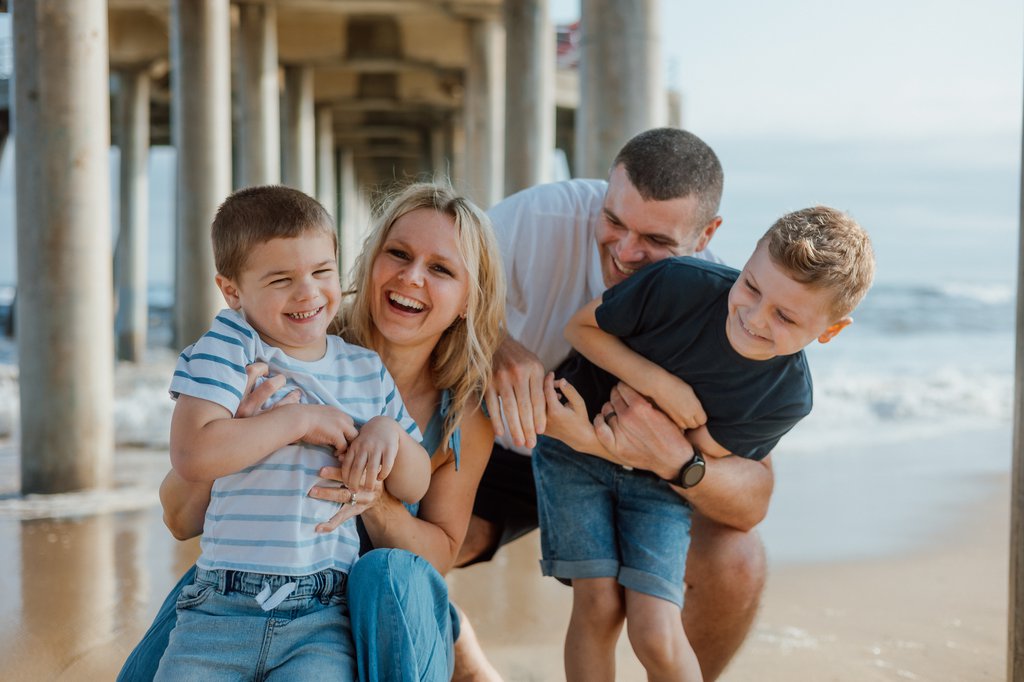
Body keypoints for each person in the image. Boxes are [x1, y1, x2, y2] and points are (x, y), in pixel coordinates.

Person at [119, 181, 505, 681]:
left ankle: (461, 651)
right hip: (244, 583)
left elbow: (436, 559)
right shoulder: (293, 339)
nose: (411, 278)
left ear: (468, 298)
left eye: (440, 269)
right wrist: (248, 432)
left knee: (385, 573)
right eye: (399, 254)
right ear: (369, 261)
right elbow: (178, 518)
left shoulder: (462, 413)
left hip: (368, 607)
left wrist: (375, 496)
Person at [454, 127, 762, 680]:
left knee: (737, 562)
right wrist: (493, 343)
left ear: (706, 233)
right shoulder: (538, 218)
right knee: (402, 551)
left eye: (657, 241)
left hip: (643, 473)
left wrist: (679, 462)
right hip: (511, 441)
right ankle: (470, 667)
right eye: (614, 221)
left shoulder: (725, 302)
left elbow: (752, 496)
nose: (624, 251)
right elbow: (419, 287)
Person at [534, 205, 875, 680]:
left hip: (657, 483)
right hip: (570, 453)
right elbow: (580, 328)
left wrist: (601, 442)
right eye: (752, 287)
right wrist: (658, 383)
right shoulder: (677, 282)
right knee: (599, 604)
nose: (754, 317)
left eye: (786, 317)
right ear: (749, 256)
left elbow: (678, 454)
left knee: (655, 629)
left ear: (830, 331)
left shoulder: (786, 397)